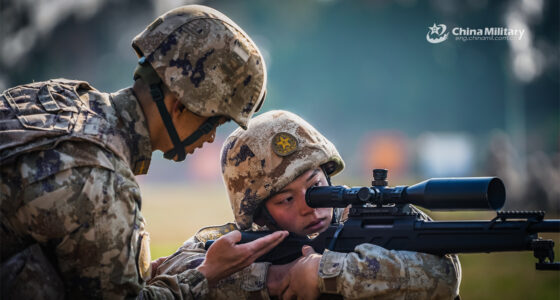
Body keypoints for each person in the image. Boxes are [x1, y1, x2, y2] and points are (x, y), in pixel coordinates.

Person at [0, 5, 288, 299]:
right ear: (179, 105)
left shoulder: (57, 97)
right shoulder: (102, 183)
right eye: (214, 121)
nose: (212, 137)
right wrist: (207, 273)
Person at [152, 110, 462, 299]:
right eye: (286, 199)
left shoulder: (379, 221)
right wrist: (276, 277)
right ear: (259, 212)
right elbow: (171, 270)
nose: (309, 208)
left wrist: (324, 274)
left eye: (315, 188)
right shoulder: (243, 244)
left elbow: (444, 276)